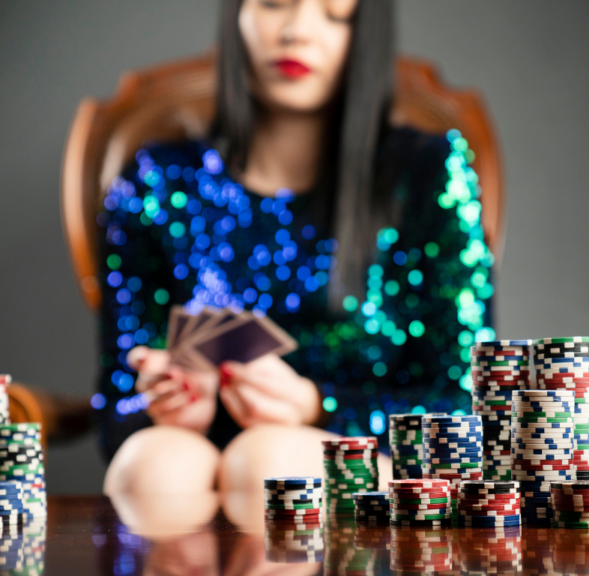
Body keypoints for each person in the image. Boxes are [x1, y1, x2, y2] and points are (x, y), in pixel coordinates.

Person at [98, 0, 496, 495]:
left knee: (270, 462)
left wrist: (318, 404)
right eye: (273, 2)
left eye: (334, 12)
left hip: (364, 462)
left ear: (366, 32)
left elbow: (467, 408)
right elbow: (116, 404)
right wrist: (163, 403)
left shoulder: (427, 173)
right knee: (152, 471)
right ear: (235, 15)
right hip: (196, 463)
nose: (296, 31)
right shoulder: (155, 181)